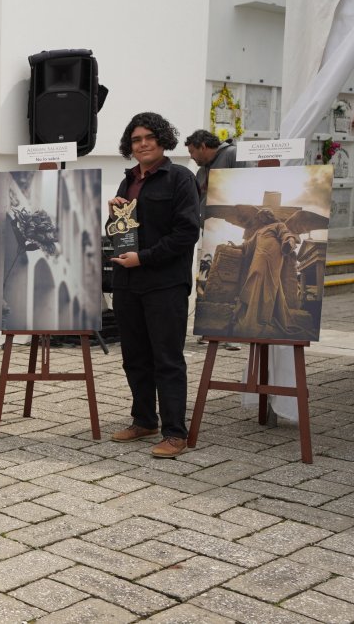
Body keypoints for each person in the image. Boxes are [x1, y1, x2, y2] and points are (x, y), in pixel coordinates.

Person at [108, 113, 201, 458]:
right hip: (127, 283)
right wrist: (113, 214)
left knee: (167, 359)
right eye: (135, 139)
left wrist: (144, 258)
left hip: (165, 284)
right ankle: (144, 420)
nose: (142, 144)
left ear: (162, 140)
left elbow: (187, 232)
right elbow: (122, 232)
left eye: (149, 137)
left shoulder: (180, 178)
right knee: (134, 357)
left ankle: (176, 432)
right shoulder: (128, 180)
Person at [185, 129, 244, 350]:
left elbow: (244, 187)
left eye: (192, 151)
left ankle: (230, 333)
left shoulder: (232, 155)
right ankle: (209, 330)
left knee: (230, 281)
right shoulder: (202, 171)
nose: (191, 156)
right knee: (208, 280)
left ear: (203, 146)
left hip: (231, 231)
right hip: (209, 231)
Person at [231, 208, 303, 338]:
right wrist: (237, 246)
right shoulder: (259, 231)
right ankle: (253, 311)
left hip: (272, 257)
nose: (260, 219)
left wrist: (290, 241)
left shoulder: (278, 225)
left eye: (262, 217)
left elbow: (286, 234)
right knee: (255, 277)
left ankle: (264, 316)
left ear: (268, 216)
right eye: (259, 217)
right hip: (259, 257)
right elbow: (248, 244)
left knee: (269, 282)